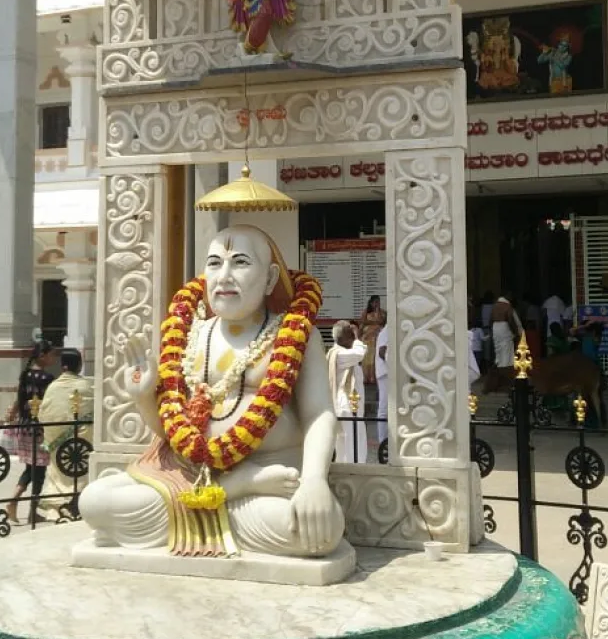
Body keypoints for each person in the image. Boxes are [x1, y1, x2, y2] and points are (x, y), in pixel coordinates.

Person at [80, 224, 346, 559]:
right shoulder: (191, 336)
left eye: (241, 262)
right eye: (215, 263)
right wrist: (144, 396)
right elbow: (174, 432)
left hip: (272, 477)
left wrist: (314, 481)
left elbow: (318, 414)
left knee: (320, 531)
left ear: (269, 278)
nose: (224, 276)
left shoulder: (295, 337)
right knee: (93, 501)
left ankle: (207, 506)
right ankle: (233, 488)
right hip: (189, 474)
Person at [37, 347, 95, 521]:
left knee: (57, 471)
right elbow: (96, 412)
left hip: (58, 443)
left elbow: (43, 414)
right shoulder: (85, 386)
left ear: (63, 367)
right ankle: (79, 503)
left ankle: (56, 506)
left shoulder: (53, 388)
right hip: (81, 443)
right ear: (79, 366)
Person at [4, 339, 56, 526]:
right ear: (42, 356)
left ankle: (18, 503)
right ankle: (26, 507)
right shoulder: (47, 379)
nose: (53, 358)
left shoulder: (25, 375)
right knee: (39, 470)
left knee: (30, 467)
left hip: (24, 426)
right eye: (51, 355)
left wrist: (14, 413)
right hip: (38, 429)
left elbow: (20, 398)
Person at [328, 321, 368, 464]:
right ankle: (354, 469)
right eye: (350, 336)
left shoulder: (341, 353)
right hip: (347, 405)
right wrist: (357, 337)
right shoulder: (339, 354)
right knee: (352, 440)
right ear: (345, 338)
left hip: (348, 405)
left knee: (346, 441)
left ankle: (347, 467)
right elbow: (360, 353)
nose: (353, 339)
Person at [358, 294, 387, 386]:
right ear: (371, 303)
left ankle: (374, 377)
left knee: (375, 356)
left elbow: (382, 322)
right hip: (367, 337)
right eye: (375, 302)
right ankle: (367, 377)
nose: (377, 304)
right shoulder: (366, 312)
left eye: (378, 302)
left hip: (378, 337)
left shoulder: (382, 312)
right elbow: (363, 322)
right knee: (367, 357)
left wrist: (378, 312)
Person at [490, 295, 523, 370]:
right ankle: (505, 369)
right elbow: (511, 320)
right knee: (506, 351)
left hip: (495, 328)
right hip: (504, 329)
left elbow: (490, 320)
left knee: (498, 351)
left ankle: (498, 366)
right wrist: (515, 332)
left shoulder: (494, 307)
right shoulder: (508, 307)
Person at [375, 322, 389, 448]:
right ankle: (382, 441)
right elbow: (382, 351)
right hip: (386, 373)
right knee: (384, 409)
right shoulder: (388, 330)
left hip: (389, 373)